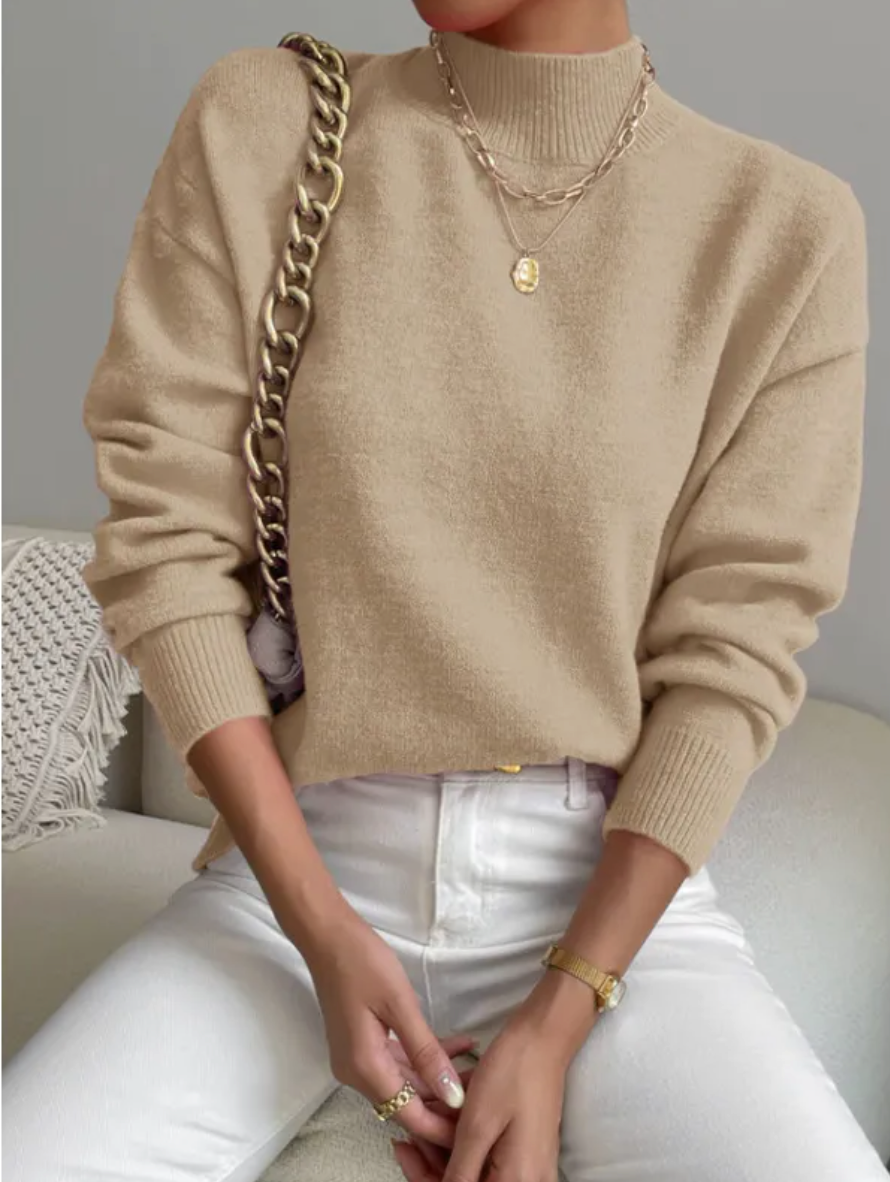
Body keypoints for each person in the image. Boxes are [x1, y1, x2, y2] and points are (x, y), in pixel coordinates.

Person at [4, 0, 885, 1179]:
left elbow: (734, 651)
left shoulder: (780, 228)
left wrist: (562, 1008)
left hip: (595, 894)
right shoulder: (269, 124)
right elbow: (168, 549)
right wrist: (320, 928)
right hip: (295, 879)